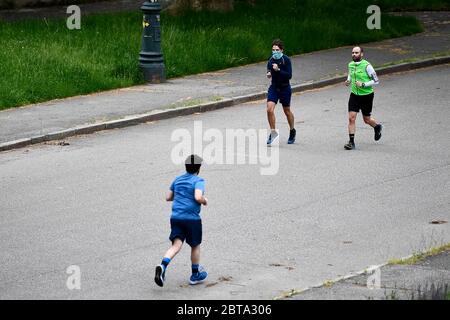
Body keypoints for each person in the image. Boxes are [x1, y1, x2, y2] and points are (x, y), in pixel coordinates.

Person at [154, 154, 208, 287]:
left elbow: (168, 197)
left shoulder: (177, 179)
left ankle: (163, 265)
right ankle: (195, 274)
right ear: (199, 168)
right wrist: (204, 200)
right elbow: (197, 196)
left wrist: (181, 196)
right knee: (195, 245)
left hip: (176, 217)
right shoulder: (198, 180)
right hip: (191, 219)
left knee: (176, 245)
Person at [344, 46, 383, 150]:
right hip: (354, 95)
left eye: (356, 53)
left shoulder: (367, 66)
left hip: (367, 96)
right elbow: (350, 74)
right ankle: (351, 142)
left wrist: (363, 84)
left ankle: (377, 127)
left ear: (362, 54)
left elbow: (376, 80)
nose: (354, 54)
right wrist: (348, 80)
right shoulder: (350, 64)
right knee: (351, 118)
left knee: (366, 119)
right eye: (352, 53)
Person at [266, 39, 296, 145]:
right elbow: (268, 70)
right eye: (273, 50)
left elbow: (289, 75)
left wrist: (278, 70)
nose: (275, 52)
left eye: (277, 50)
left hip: (285, 88)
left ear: (281, 50)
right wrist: (269, 73)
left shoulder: (286, 60)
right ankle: (273, 133)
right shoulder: (270, 60)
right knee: (269, 109)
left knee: (287, 111)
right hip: (274, 87)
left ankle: (292, 130)